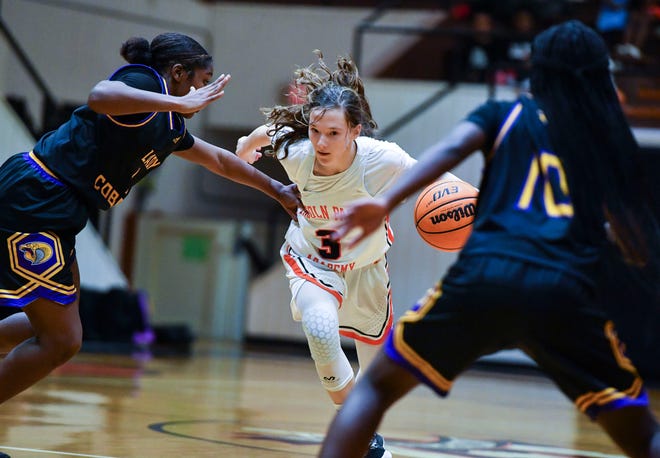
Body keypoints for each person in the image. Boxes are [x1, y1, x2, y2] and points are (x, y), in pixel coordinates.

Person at [319, 20, 660, 458]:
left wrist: (385, 203)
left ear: (538, 70)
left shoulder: (506, 114)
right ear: (599, 76)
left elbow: (449, 149)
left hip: (483, 274)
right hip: (562, 288)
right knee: (644, 435)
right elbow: (636, 242)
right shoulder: (605, 137)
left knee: (376, 388)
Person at [0, 32, 301, 411]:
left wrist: (278, 189)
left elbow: (221, 161)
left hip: (57, 210)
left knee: (47, 326)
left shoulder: (171, 127)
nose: (204, 95)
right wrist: (174, 100)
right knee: (61, 341)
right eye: (202, 83)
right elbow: (99, 96)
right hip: (38, 199)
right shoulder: (145, 81)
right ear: (178, 73)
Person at [236, 51, 460, 458]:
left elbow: (433, 175)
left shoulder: (381, 158)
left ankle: (365, 428)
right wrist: (245, 147)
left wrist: (471, 203)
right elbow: (264, 135)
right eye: (316, 130)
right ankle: (364, 441)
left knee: (377, 383)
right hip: (311, 261)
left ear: (355, 130)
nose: (321, 142)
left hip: (367, 271)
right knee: (321, 330)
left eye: (334, 133)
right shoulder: (297, 152)